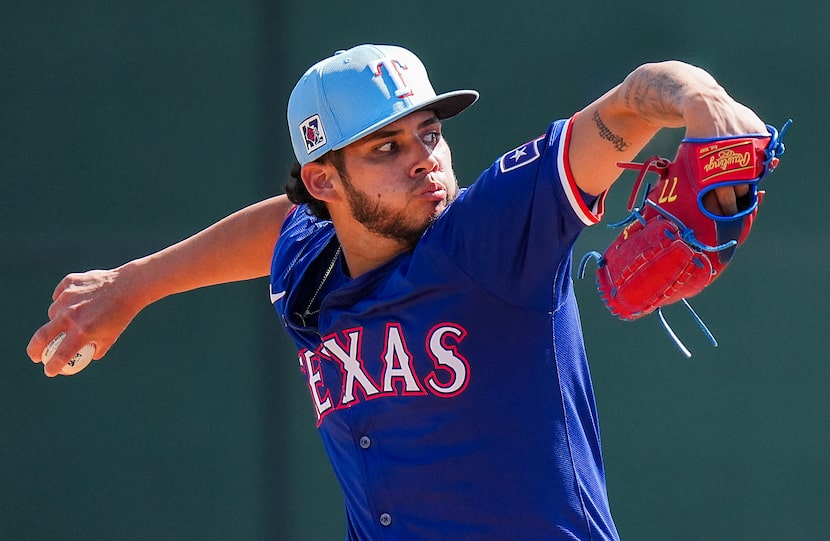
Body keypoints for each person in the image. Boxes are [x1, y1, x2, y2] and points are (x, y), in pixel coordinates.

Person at [28, 44, 769, 540]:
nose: (425, 160)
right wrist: (134, 285)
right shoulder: (308, 262)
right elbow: (284, 223)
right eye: (387, 147)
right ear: (325, 182)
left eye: (429, 134)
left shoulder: (492, 234)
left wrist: (701, 98)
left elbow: (636, 101)